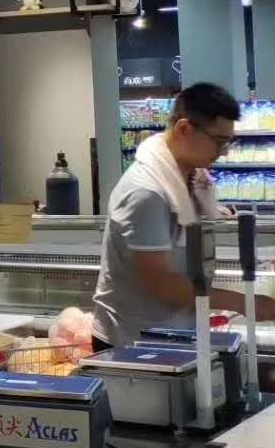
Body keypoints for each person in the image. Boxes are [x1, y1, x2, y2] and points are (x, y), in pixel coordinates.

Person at [92, 82, 275, 347]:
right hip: (133, 345)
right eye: (219, 141)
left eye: (228, 142)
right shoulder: (148, 192)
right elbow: (162, 284)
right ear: (184, 129)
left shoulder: (192, 181)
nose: (224, 151)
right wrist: (246, 302)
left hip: (173, 335)